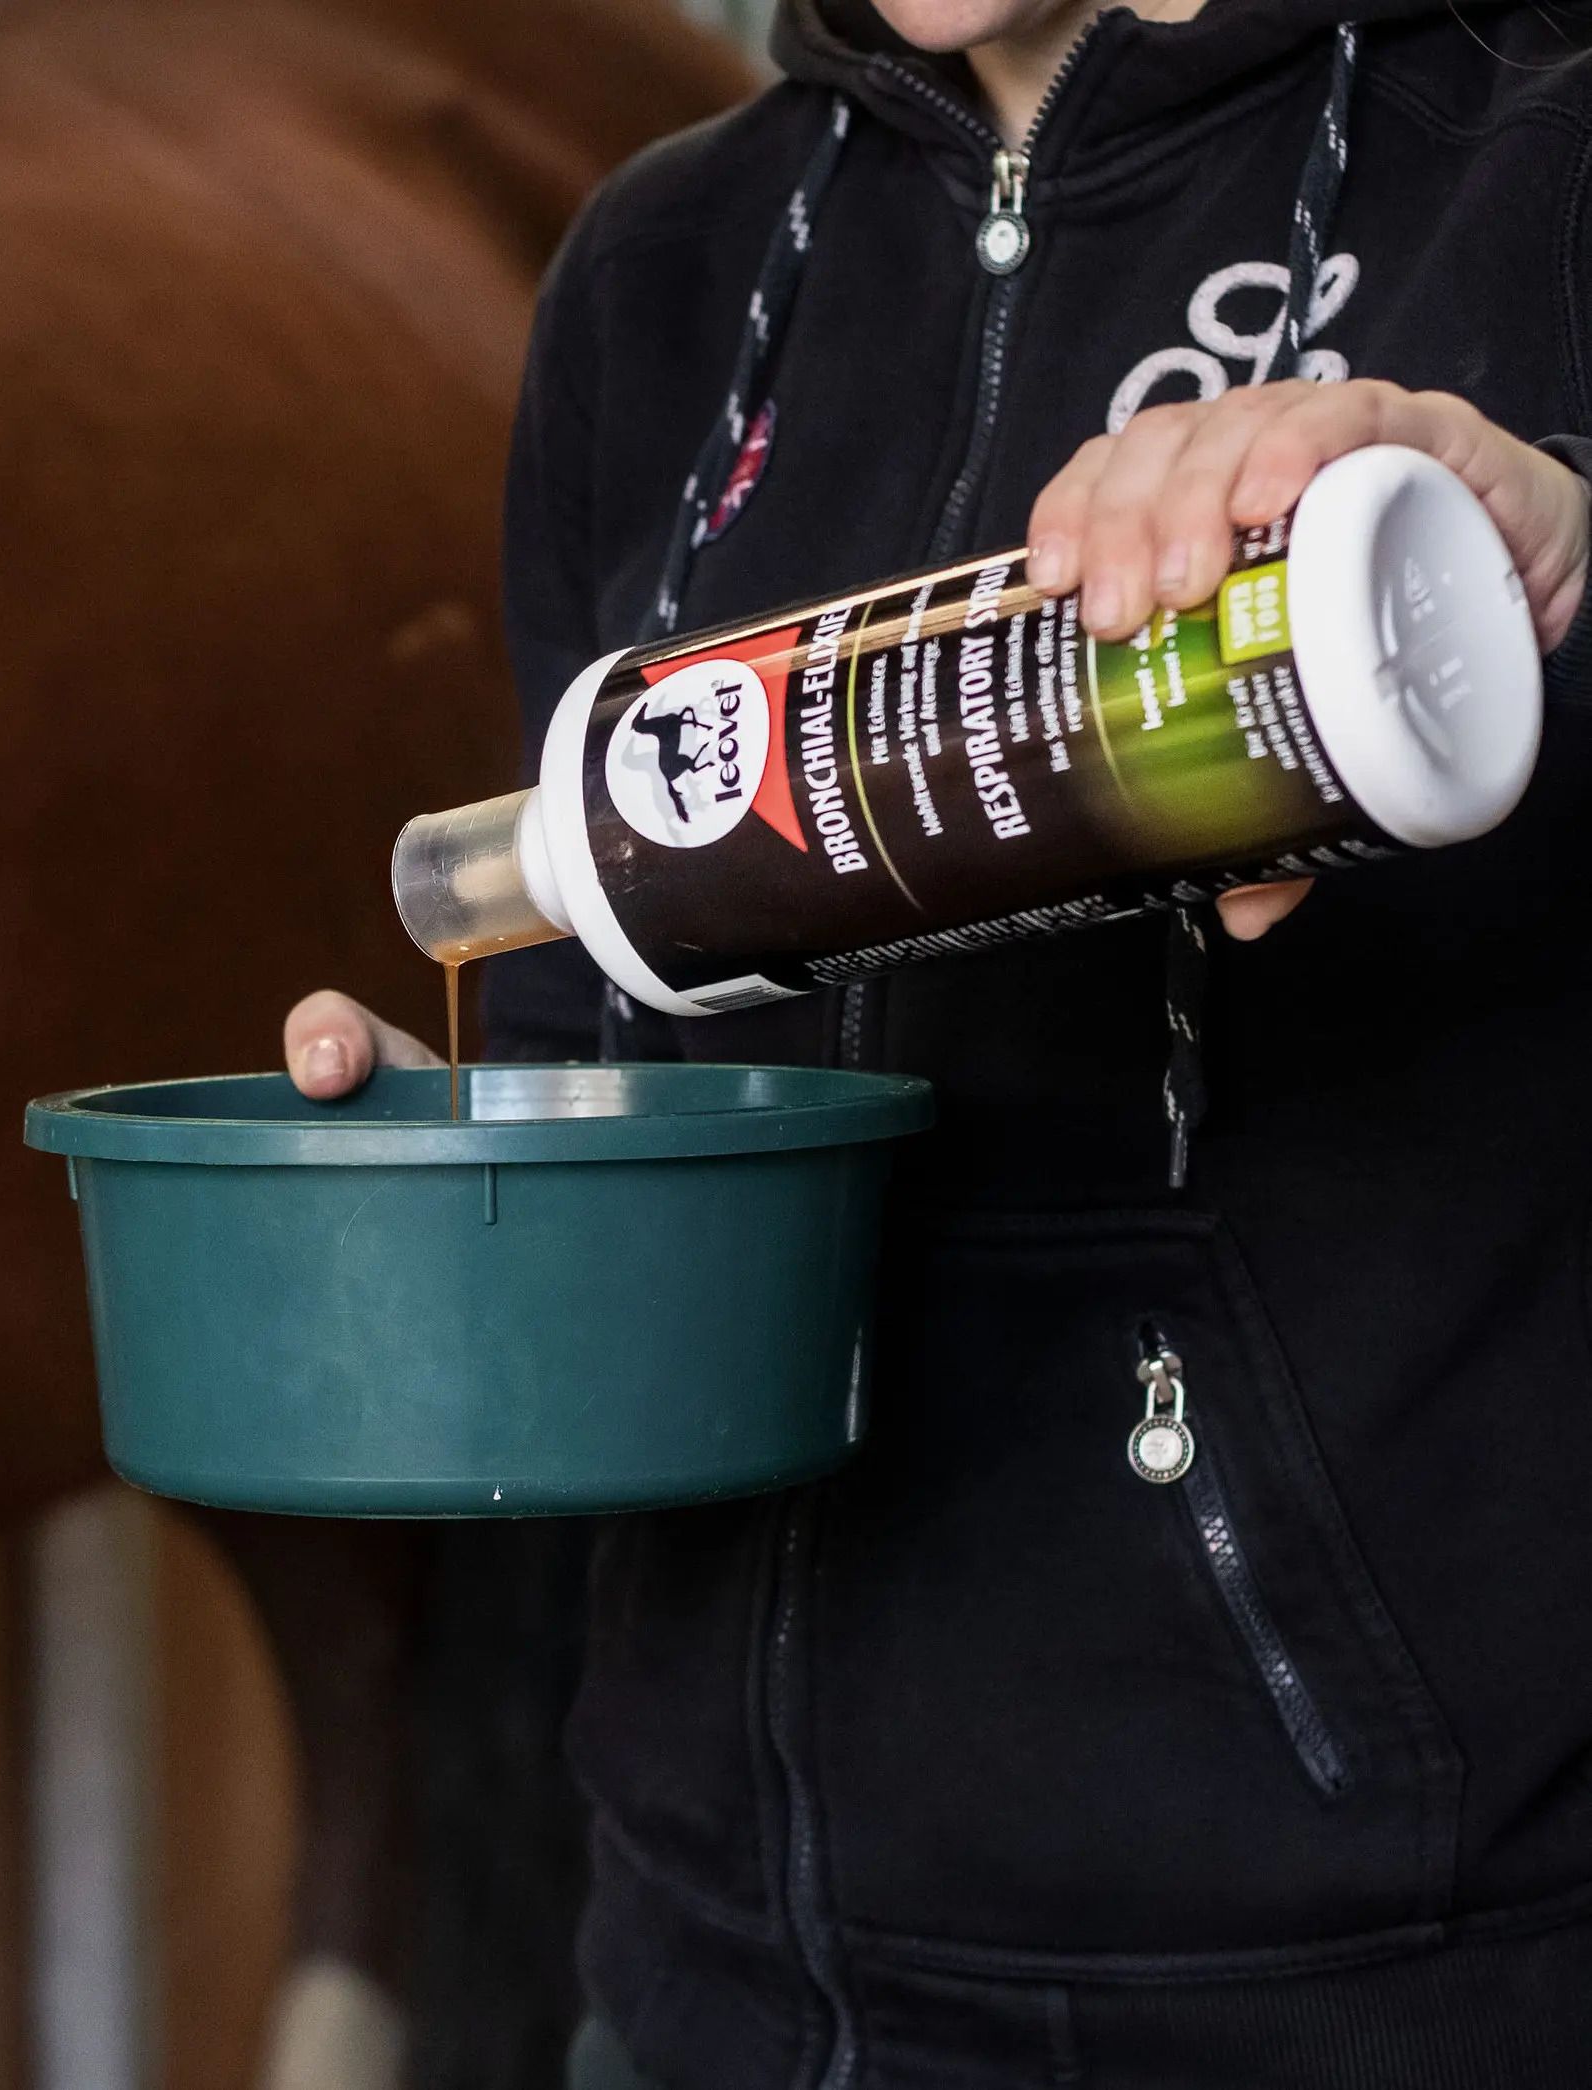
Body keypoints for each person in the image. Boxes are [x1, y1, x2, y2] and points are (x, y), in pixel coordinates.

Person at [285, 0, 1592, 2081]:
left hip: (1341, 1988)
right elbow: (591, 1032)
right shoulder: (665, 266)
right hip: (705, 1977)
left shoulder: (1536, 155)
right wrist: (445, 1160)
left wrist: (1552, 546)